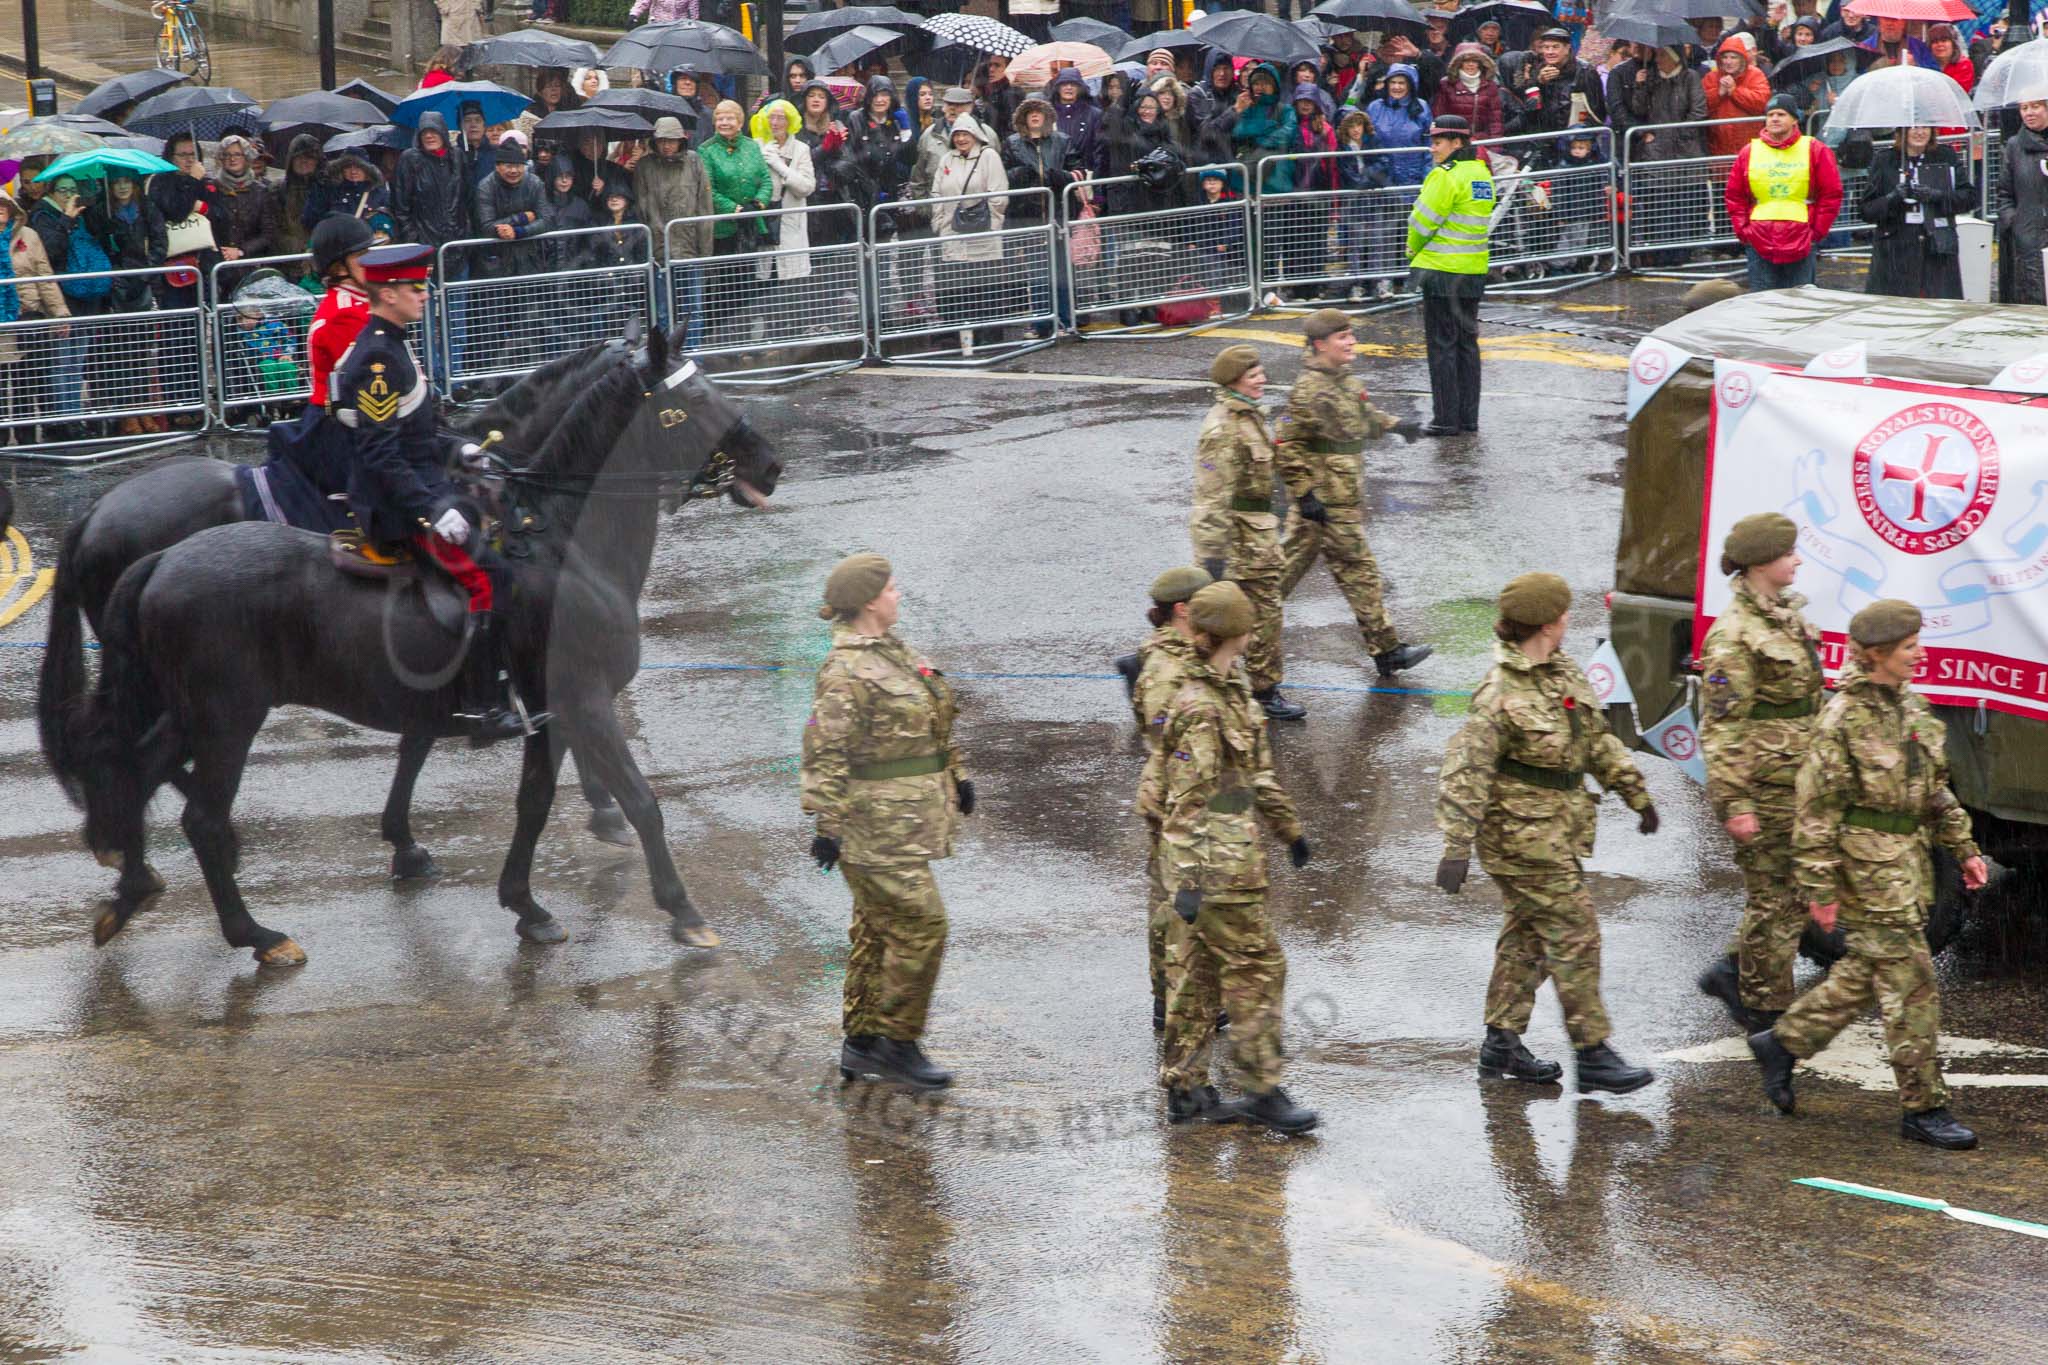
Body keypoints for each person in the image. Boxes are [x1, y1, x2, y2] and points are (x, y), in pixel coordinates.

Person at [1747, 600, 1989, 1150]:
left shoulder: (1909, 707)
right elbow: (1815, 811)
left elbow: (1933, 789)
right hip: (1864, 867)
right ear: (1877, 654)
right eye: (1909, 648)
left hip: (1905, 863)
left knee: (1866, 973)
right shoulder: (1840, 720)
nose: (1920, 654)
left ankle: (1782, 1043)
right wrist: (1820, 887)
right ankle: (1923, 1107)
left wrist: (1965, 847)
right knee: (1912, 982)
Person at [1435, 572, 1661, 1096]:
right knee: (1575, 933)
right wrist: (1455, 846)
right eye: (1562, 613)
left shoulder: (1561, 673)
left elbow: (1597, 741)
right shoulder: (1499, 693)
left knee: (1528, 935)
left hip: (1557, 830)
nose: (1568, 620)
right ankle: (1593, 1052)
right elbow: (1466, 771)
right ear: (1544, 623)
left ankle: (1502, 1041)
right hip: (1518, 838)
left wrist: (1636, 793)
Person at [333, 243, 542, 746]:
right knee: (491, 576)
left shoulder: (395, 342)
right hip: (395, 504)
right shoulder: (377, 359)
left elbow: (418, 434)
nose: (423, 295)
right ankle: (481, 708)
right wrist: (431, 510)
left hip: (424, 481)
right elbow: (381, 455)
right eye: (414, 288)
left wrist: (463, 446)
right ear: (386, 294)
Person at [801, 554, 972, 1091]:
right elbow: (824, 750)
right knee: (923, 926)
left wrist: (957, 772)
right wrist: (827, 826)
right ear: (870, 600)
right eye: (893, 588)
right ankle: (897, 1043)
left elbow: (932, 718)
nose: (899, 594)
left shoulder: (894, 651)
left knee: (878, 930)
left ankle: (863, 1042)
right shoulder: (845, 668)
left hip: (908, 821)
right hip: (872, 827)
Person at [1156, 580, 1317, 1134]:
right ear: (1240, 633)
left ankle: (1186, 1087)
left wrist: (1289, 829)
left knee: (1199, 974)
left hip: (1231, 851)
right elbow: (1188, 799)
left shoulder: (1231, 689)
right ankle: (1261, 1088)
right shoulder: (1201, 705)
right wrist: (1192, 878)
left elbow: (1256, 774)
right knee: (1259, 966)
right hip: (1216, 863)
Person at [1694, 514, 1824, 1036]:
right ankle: (1764, 1010)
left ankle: (1733, 971)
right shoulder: (1733, 637)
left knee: (1789, 890)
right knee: (1777, 894)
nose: (1797, 560)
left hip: (1800, 778)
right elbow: (1722, 727)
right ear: (1762, 562)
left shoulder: (1785, 617)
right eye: (1789, 553)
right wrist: (1735, 803)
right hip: (1766, 784)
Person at [1275, 311, 1434, 680]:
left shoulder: (1344, 380)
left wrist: (1396, 426)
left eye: (1351, 336)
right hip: (1324, 506)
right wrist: (1304, 494)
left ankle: (1388, 651)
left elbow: (1362, 416)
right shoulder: (1307, 390)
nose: (1351, 343)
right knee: (1283, 582)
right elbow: (1284, 442)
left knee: (1345, 575)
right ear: (1320, 345)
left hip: (1341, 502)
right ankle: (1206, 639)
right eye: (1342, 338)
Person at [1124, 565, 1215, 1029]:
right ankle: (1176, 1001)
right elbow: (1166, 737)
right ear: (1183, 610)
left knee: (1173, 900)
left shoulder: (1182, 653)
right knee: (1178, 904)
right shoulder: (1167, 666)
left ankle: (1174, 998)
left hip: (1181, 795)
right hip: (1177, 799)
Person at [1191, 345, 1301, 722]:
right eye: (1254, 376)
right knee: (1240, 619)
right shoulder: (1223, 428)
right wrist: (1212, 558)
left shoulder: (1249, 416)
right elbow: (1211, 498)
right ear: (1235, 381)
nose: (1262, 380)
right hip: (1238, 545)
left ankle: (1262, 689)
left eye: (1260, 374)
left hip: (1257, 539)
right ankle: (1262, 691)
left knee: (1257, 615)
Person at [1406, 114, 1491, 437]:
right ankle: (1468, 418)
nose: (1433, 148)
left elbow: (1422, 222)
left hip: (1441, 273)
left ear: (1457, 143)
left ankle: (1445, 418)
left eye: (1438, 141)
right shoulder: (1481, 173)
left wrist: (1412, 250)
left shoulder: (1445, 176)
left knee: (1442, 347)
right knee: (1467, 346)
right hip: (1472, 272)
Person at [1726, 94, 1843, 290]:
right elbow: (1735, 196)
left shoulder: (1815, 149)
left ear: (1794, 119)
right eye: (1770, 114)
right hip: (1759, 239)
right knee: (1762, 305)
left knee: (1800, 304)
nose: (1774, 119)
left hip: (1801, 240)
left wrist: (1816, 232)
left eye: (1781, 114)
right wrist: (1744, 230)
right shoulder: (1749, 151)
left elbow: (1831, 194)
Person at [1862, 125, 1972, 299]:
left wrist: (1937, 196)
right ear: (1901, 131)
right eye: (1913, 127)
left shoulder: (1945, 155)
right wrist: (1892, 198)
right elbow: (1866, 210)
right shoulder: (1884, 160)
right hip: (1895, 252)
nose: (1920, 132)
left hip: (1936, 249)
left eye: (1925, 127)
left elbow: (1968, 198)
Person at [470, 143, 552, 373]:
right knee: (494, 326)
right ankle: (493, 377)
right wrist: (521, 217)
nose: (514, 171)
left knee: (528, 323)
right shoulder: (485, 186)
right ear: (498, 167)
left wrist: (519, 231)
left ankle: (529, 373)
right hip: (495, 267)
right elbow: (486, 225)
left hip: (528, 263)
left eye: (518, 165)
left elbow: (547, 218)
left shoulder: (534, 183)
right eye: (508, 166)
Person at [635, 116, 715, 349]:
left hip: (690, 249)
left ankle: (692, 358)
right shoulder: (645, 166)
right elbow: (643, 208)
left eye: (672, 140)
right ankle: (664, 362)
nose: (667, 145)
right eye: (662, 141)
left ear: (681, 141)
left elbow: (704, 207)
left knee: (694, 311)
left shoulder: (694, 162)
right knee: (662, 313)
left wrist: (705, 253)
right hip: (659, 253)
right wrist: (657, 240)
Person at [699, 99, 774, 344]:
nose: (724, 122)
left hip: (750, 228)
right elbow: (708, 189)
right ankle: (720, 340)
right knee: (722, 287)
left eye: (729, 117)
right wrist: (734, 208)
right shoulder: (706, 150)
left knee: (747, 285)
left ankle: (744, 340)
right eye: (719, 118)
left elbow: (766, 180)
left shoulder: (752, 147)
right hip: (723, 230)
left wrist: (758, 204)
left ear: (740, 122)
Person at [931, 118, 1008, 355]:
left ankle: (989, 337)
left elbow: (999, 194)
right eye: (957, 135)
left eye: (965, 134)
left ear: (975, 135)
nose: (961, 139)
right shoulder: (947, 159)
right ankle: (961, 338)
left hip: (982, 234)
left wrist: (991, 223)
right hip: (952, 234)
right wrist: (940, 221)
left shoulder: (989, 156)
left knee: (985, 288)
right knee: (957, 289)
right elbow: (936, 191)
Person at [0, 189, 70, 448]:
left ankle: (27, 437)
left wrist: (59, 313)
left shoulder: (29, 236)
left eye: (3, 206)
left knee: (26, 382)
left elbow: (45, 276)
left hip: (27, 318)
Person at [755, 99, 816, 291]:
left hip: (791, 226)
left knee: (792, 289)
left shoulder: (801, 149)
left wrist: (779, 166)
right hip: (765, 227)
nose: (775, 122)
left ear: (790, 121)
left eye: (780, 118)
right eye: (771, 117)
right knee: (765, 288)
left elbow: (806, 187)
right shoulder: (756, 146)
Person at [393, 111, 472, 251]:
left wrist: (465, 231)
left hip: (457, 243)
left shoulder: (458, 157)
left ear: (443, 132)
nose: (429, 136)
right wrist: (413, 238)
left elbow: (467, 197)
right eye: (424, 132)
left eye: (433, 131)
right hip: (424, 245)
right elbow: (400, 206)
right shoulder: (409, 159)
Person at [1998, 99, 2048, 305]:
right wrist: (2015, 221)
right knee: (2032, 297)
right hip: (2028, 236)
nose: (2029, 113)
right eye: (2024, 108)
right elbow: (2004, 194)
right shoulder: (2014, 146)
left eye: (2035, 106)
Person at [1515, 27, 1605, 134]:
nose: (1550, 52)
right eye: (1546, 47)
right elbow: (1529, 107)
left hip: (1575, 138)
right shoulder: (1538, 69)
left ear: (1567, 48)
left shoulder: (1585, 71)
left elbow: (1596, 111)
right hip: (1545, 136)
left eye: (1555, 47)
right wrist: (1540, 83)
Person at [210, 134, 277, 264]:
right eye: (227, 155)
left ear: (246, 158)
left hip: (249, 263)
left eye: (237, 154)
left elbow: (268, 234)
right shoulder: (211, 188)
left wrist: (241, 251)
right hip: (216, 263)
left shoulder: (261, 192)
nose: (232, 159)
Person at [1703, 37, 1771, 156]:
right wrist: (1718, 93)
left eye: (1733, 57)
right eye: (1725, 57)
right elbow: (1701, 106)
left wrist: (1735, 91)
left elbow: (1761, 103)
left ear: (1742, 60)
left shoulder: (1755, 75)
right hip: (1718, 148)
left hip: (1750, 146)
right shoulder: (1711, 77)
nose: (1728, 61)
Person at [276, 135, 325, 258]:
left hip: (323, 257)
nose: (304, 161)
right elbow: (273, 229)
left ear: (317, 161)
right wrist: (300, 248)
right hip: (290, 260)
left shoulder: (328, 189)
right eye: (298, 157)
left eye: (309, 157)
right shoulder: (277, 190)